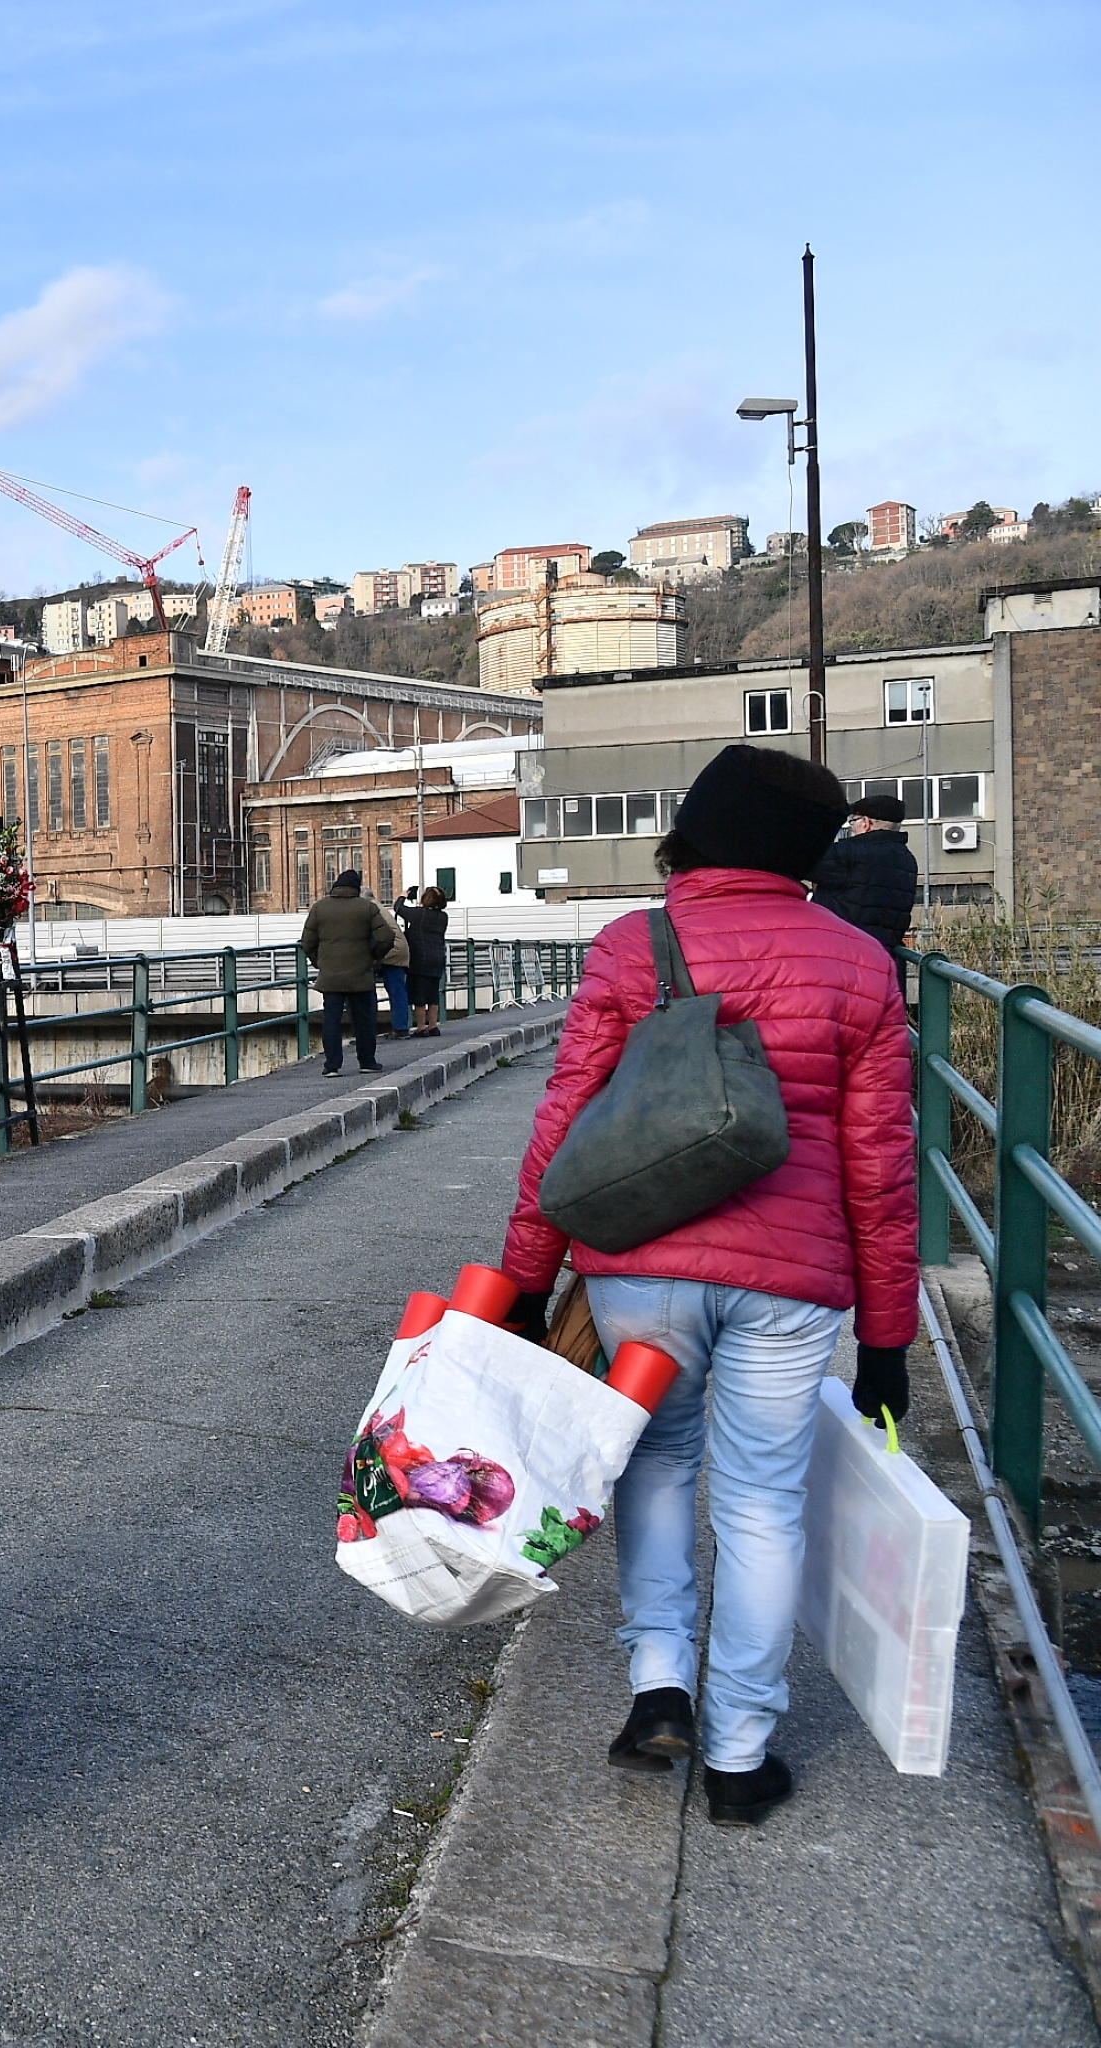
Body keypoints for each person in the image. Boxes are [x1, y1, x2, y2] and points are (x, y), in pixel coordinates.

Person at [498, 744, 918, 1830]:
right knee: (764, 1502)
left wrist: (524, 1278)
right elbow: (881, 1168)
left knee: (656, 1462)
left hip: (642, 1261)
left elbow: (565, 1127)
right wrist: (886, 1339)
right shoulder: (862, 964)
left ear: (693, 831)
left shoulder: (635, 945)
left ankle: (657, 1692)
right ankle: (740, 1753)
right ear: (807, 853)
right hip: (795, 1280)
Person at [299, 868, 398, 1077]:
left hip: (331, 976)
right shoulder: (367, 908)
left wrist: (320, 962)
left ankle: (332, 1066)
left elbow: (307, 942)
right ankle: (367, 1062)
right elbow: (386, 937)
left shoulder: (319, 908)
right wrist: (373, 957)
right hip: (360, 974)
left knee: (332, 1020)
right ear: (356, 887)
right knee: (364, 1020)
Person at [812, 792, 920, 962]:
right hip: (884, 957)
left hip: (843, 955)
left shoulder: (850, 853)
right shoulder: (907, 859)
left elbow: (799, 863)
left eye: (853, 821)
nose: (852, 827)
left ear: (866, 823)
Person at [401, 887, 451, 1037]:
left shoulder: (419, 914)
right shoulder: (443, 917)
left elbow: (399, 908)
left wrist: (403, 896)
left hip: (420, 959)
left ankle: (421, 1027)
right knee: (433, 993)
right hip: (437, 958)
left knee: (419, 994)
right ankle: (433, 1026)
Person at [376, 910, 414, 1039]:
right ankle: (401, 1027)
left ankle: (400, 1027)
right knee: (397, 990)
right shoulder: (379, 908)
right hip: (397, 951)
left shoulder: (370, 908)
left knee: (396, 990)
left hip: (392, 953)